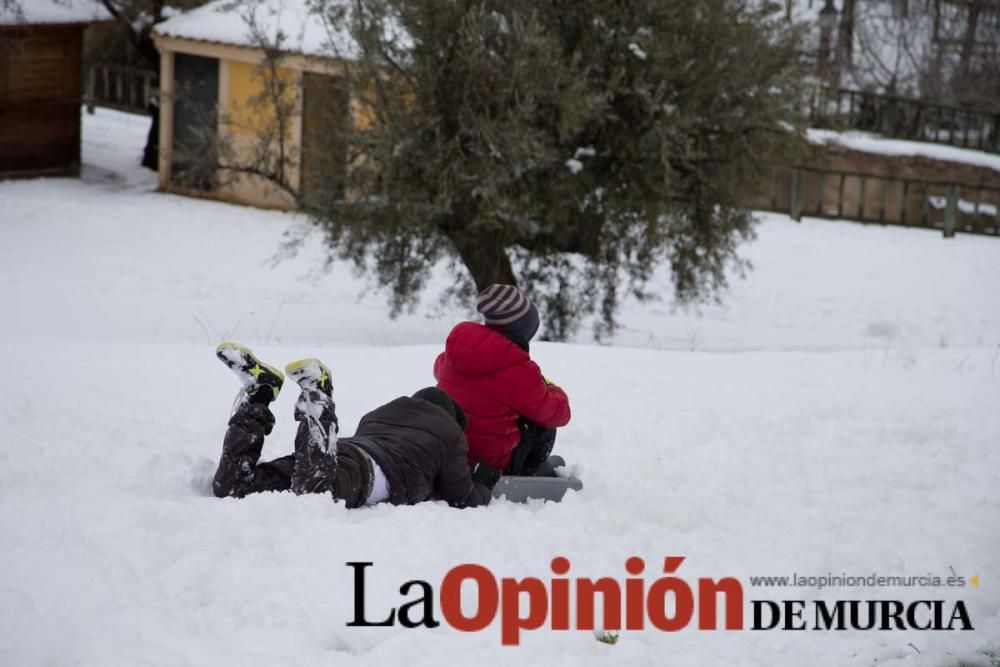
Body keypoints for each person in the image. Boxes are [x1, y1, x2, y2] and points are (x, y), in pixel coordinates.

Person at [211, 342, 492, 509]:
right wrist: (485, 483)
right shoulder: (451, 433)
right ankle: (318, 395)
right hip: (361, 471)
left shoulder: (380, 414)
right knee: (313, 496)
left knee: (231, 488)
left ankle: (260, 394)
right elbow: (461, 495)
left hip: (342, 455)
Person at [434, 284, 571, 487]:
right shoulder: (519, 370)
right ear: (524, 331)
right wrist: (550, 387)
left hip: (452, 453)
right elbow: (559, 414)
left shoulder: (452, 356)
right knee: (542, 422)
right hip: (492, 464)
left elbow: (440, 368)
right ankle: (528, 472)